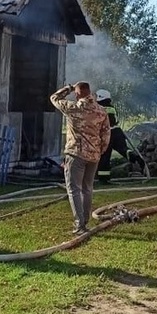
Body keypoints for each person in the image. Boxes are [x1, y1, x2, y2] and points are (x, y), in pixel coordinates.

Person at [50, 81, 110, 235]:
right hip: (94, 156)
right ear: (90, 92)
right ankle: (85, 221)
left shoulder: (73, 108)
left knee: (74, 189)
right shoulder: (101, 110)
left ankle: (79, 225)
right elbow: (106, 135)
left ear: (77, 93)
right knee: (87, 189)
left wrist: (67, 88)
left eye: (75, 92)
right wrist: (99, 151)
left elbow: (54, 98)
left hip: (76, 154)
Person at [95, 89, 147, 184]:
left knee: (104, 156)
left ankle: (103, 179)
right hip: (117, 132)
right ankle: (136, 158)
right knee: (124, 149)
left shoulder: (99, 108)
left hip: (107, 134)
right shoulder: (112, 108)